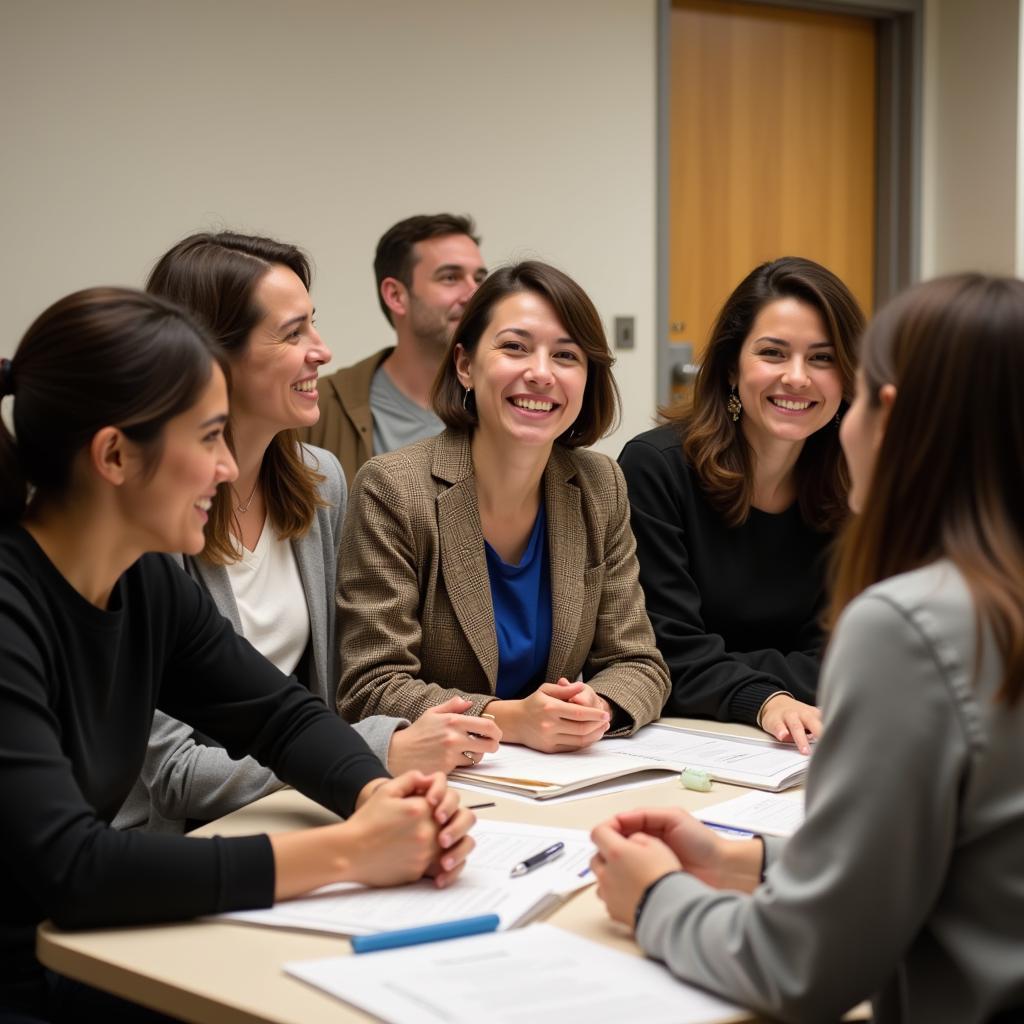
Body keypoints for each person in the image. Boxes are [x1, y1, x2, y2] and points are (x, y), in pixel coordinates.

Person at [0, 288, 474, 1021]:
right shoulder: (10, 608)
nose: (228, 469)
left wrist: (374, 793)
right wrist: (349, 854)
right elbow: (75, 867)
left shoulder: (145, 579)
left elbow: (279, 717)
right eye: (209, 437)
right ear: (115, 455)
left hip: (83, 954)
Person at [590, 274, 1024, 1023]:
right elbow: (960, 856)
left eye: (834, 367)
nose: (802, 382)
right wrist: (749, 859)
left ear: (877, 408)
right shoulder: (988, 593)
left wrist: (657, 898)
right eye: (774, 353)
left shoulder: (913, 622)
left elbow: (802, 964)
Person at [115, 232, 500, 834]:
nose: (321, 351)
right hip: (180, 839)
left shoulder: (319, 482)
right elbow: (172, 776)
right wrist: (372, 751)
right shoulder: (147, 516)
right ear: (210, 356)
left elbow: (334, 696)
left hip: (304, 805)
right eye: (293, 333)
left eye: (312, 326)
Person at [336, 261, 670, 755]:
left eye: (566, 355)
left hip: (559, 775)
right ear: (465, 366)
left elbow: (638, 662)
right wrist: (510, 719)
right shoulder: (393, 489)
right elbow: (371, 686)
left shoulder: (601, 484)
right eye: (514, 347)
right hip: (440, 781)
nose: (540, 373)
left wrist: (593, 707)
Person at [619, 257, 862, 751]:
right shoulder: (656, 468)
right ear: (732, 366)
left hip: (802, 736)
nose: (797, 378)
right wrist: (764, 696)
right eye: (773, 353)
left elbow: (849, 656)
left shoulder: (855, 481)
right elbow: (663, 650)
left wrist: (729, 671)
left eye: (822, 358)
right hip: (677, 738)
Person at [302, 213, 488, 484]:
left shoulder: (504, 401)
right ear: (396, 295)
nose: (474, 294)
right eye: (450, 277)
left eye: (480, 279)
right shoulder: (319, 408)